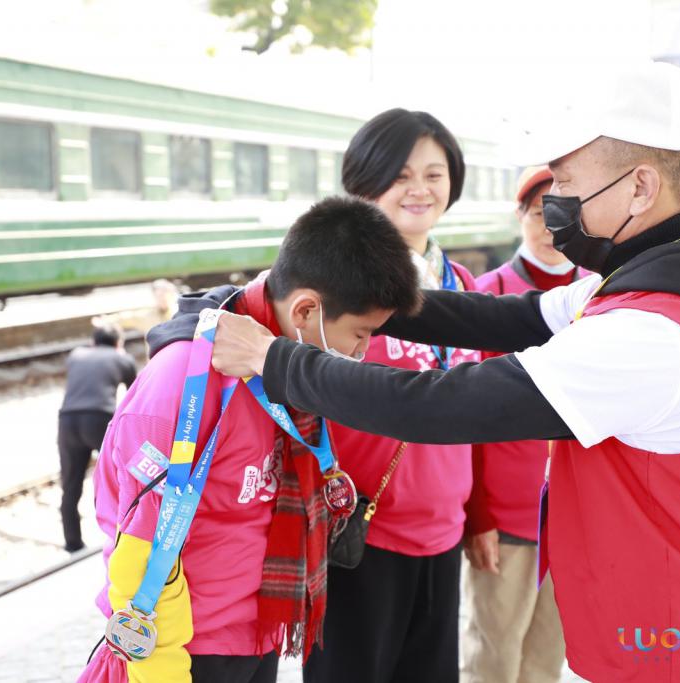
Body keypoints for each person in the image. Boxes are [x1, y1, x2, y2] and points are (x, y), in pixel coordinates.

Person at [208, 61, 680, 682]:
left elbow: (438, 405)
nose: (557, 206)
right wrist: (343, 292)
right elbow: (500, 318)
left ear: (640, 188)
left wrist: (272, 357)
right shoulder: (655, 283)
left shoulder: (650, 336)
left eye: (570, 185)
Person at [80, 196, 422, 683]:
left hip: (255, 634)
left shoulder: (288, 375)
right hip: (187, 649)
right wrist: (162, 669)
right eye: (361, 334)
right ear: (306, 310)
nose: (363, 353)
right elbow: (134, 539)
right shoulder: (183, 382)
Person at [302, 109, 479, 683]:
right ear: (363, 181)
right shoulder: (330, 285)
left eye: (434, 174)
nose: (420, 190)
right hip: (358, 535)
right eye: (400, 175)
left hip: (444, 532)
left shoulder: (462, 286)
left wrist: (486, 514)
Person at [461, 165, 585, 683]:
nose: (553, 229)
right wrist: (479, 514)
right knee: (493, 656)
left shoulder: (601, 297)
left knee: (545, 661)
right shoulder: (488, 296)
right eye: (540, 215)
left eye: (566, 216)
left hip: (575, 516)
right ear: (519, 217)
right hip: (506, 518)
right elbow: (466, 415)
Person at [58, 321, 137, 552]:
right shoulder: (123, 359)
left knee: (70, 484)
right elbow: (135, 395)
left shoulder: (76, 355)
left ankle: (73, 543)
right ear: (118, 343)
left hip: (68, 420)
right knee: (119, 478)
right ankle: (121, 535)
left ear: (93, 342)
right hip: (101, 419)